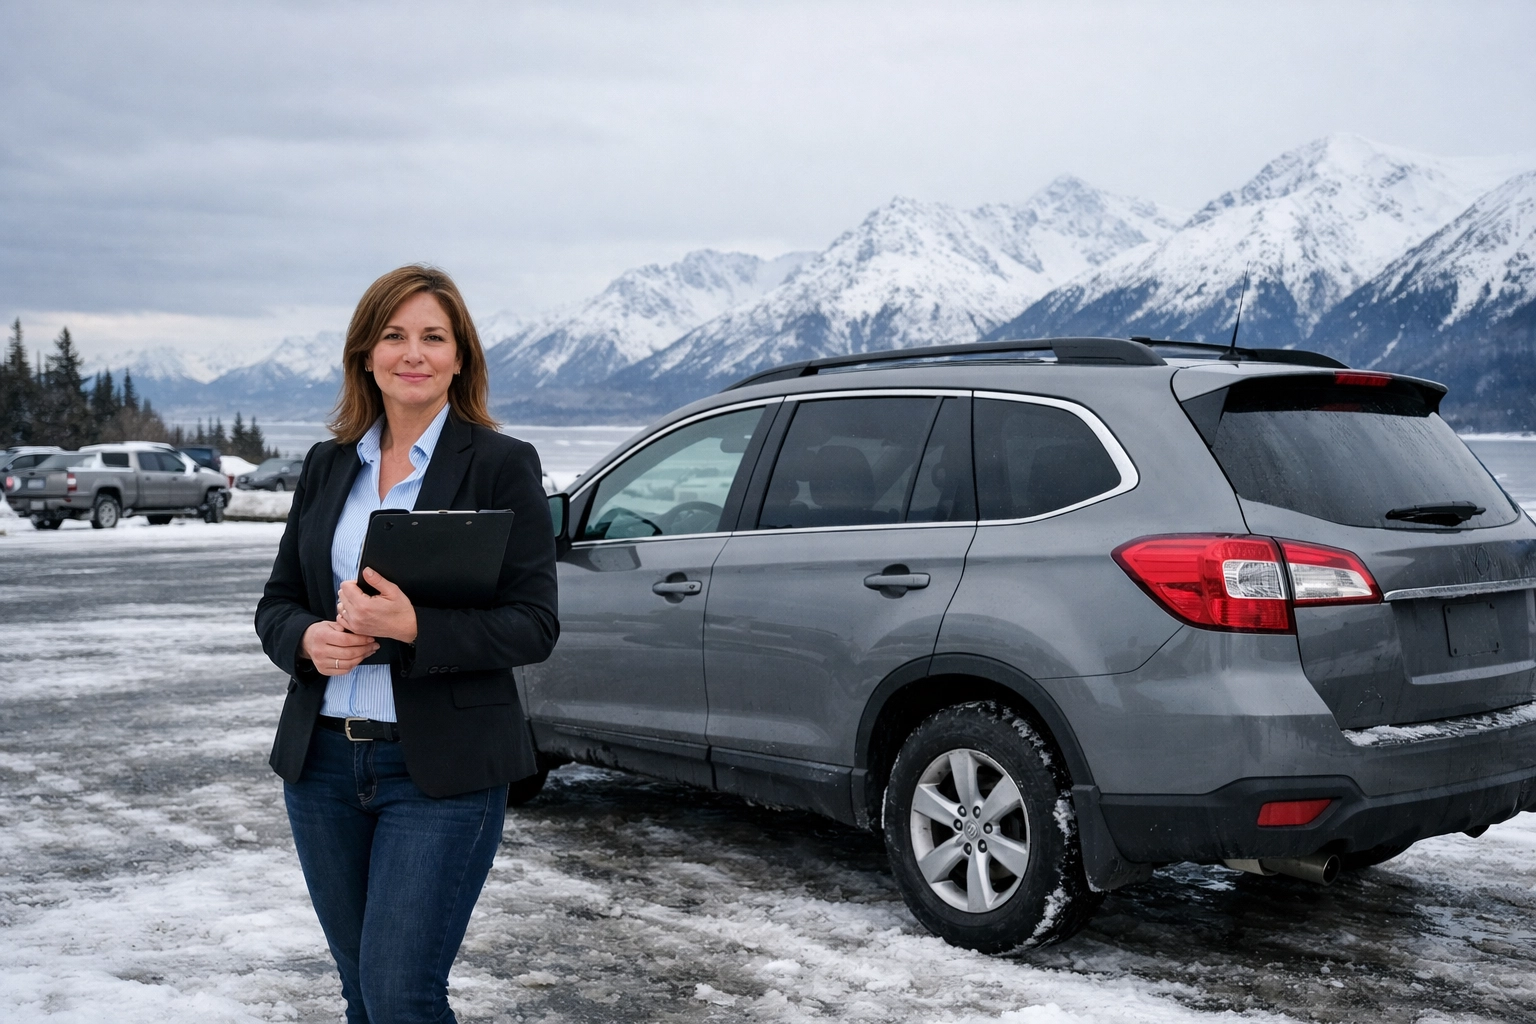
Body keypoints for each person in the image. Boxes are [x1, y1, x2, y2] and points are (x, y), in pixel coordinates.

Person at [255, 264, 558, 1022]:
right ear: (365, 354)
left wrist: (415, 628)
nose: (412, 353)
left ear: (461, 358)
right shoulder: (329, 466)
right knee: (362, 993)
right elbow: (276, 604)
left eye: (433, 336)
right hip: (321, 764)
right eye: (394, 336)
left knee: (400, 995)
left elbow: (534, 623)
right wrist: (309, 640)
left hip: (441, 773)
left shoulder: (499, 464)